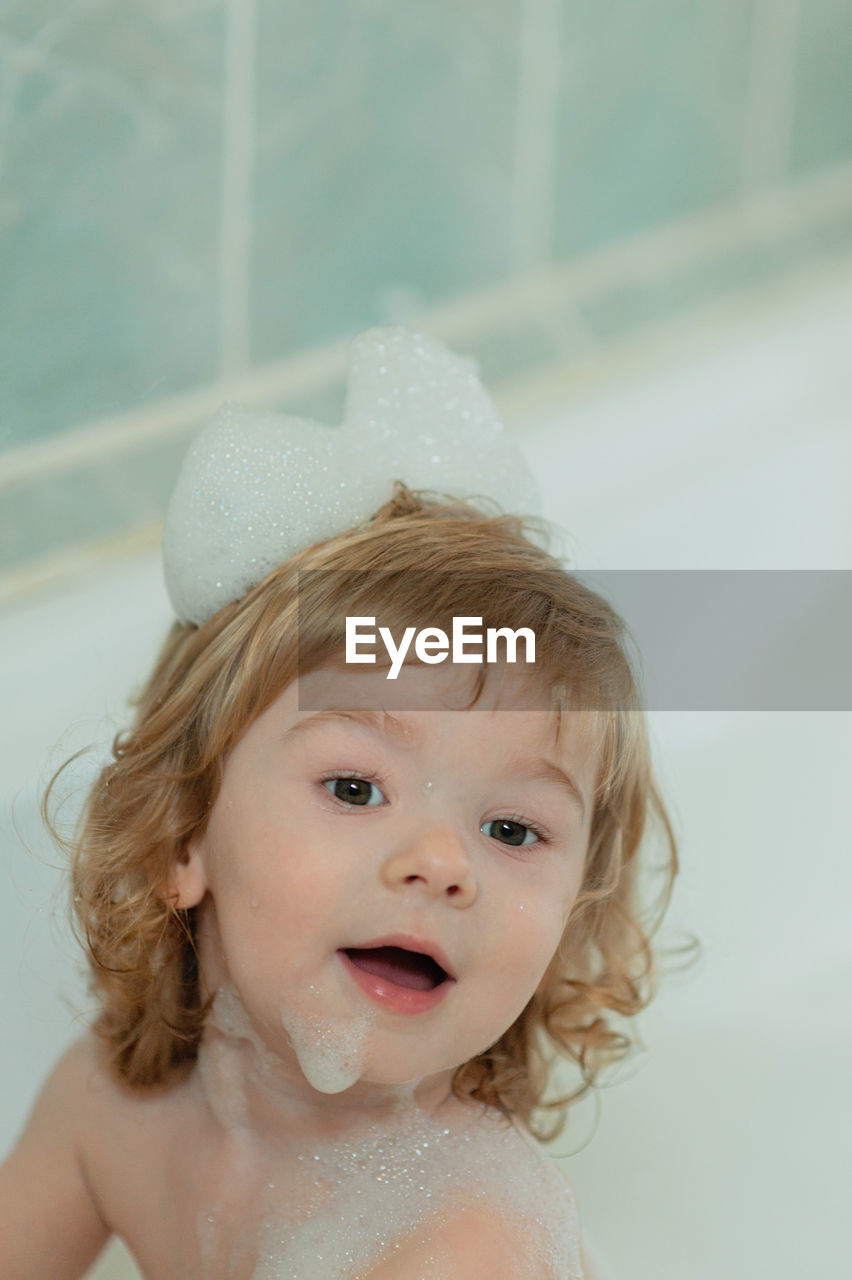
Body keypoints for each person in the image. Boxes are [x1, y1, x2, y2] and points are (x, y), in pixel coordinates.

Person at [0, 329, 677, 1279]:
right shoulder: (108, 1109)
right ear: (183, 829)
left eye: (512, 830)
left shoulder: (468, 1238)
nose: (442, 862)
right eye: (356, 788)